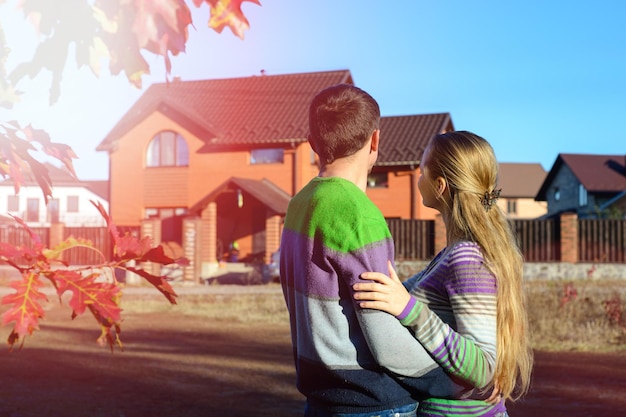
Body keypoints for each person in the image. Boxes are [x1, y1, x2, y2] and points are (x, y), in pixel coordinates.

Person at [280, 85, 479, 417]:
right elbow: (385, 340)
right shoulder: (359, 217)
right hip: (374, 404)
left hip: (321, 402)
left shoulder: (298, 206)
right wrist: (452, 384)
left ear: (313, 142)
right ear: (375, 142)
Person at [353, 130, 534, 416]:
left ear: (440, 186)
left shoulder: (467, 258)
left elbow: (482, 367)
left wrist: (409, 309)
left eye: (423, 170)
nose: (418, 177)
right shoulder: (453, 253)